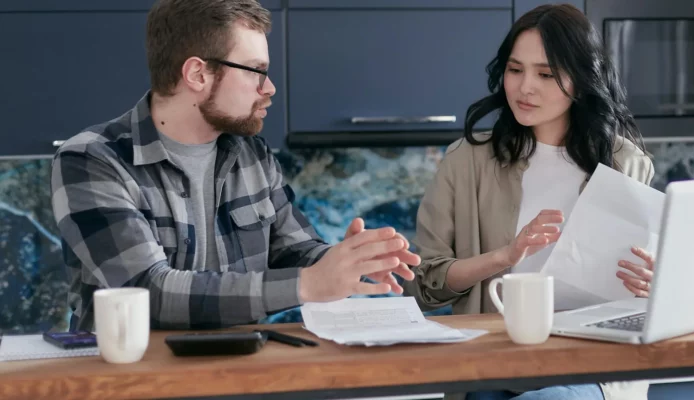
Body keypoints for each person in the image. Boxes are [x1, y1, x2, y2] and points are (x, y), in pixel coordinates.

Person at [51, 0, 419, 332]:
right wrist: (309, 284)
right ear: (198, 74)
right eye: (255, 70)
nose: (270, 87)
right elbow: (147, 292)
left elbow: (294, 251)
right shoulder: (92, 160)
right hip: (134, 379)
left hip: (240, 369)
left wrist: (347, 261)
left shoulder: (251, 154)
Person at [405, 4, 655, 400]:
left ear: (581, 80)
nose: (525, 88)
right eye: (515, 69)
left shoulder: (626, 163)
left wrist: (653, 283)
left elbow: (645, 286)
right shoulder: (465, 161)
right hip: (492, 362)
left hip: (595, 363)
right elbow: (423, 286)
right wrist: (505, 256)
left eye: (546, 74)